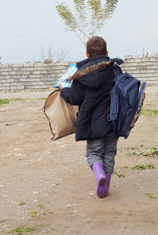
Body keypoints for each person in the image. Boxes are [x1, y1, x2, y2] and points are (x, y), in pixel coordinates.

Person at [59, 36, 119, 198]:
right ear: (106, 52)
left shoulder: (81, 75)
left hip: (93, 123)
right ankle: (105, 187)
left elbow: (74, 98)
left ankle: (99, 175)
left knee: (93, 153)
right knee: (109, 153)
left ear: (87, 54)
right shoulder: (115, 70)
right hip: (114, 121)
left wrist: (62, 90)